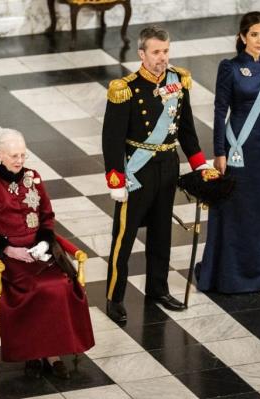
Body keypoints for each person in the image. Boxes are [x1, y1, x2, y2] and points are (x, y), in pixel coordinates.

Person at [102, 25, 211, 323]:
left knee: (162, 233)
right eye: (155, 52)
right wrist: (116, 180)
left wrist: (199, 163)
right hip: (137, 169)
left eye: (165, 51)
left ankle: (158, 289)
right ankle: (115, 297)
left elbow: (186, 128)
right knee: (124, 237)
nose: (162, 58)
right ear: (142, 54)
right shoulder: (126, 88)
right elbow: (111, 139)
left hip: (167, 166)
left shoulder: (179, 81)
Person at [0, 129, 94, 378]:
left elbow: (47, 216)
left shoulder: (34, 177)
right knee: (37, 288)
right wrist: (9, 250)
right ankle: (33, 353)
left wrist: (45, 241)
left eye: (23, 155)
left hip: (39, 250)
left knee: (61, 283)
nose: (20, 161)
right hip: (10, 256)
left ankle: (52, 353)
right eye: (14, 156)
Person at [195, 11, 260, 294]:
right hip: (237, 147)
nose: (259, 40)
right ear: (242, 37)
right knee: (234, 210)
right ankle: (227, 274)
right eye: (253, 34)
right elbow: (219, 110)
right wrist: (219, 152)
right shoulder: (230, 67)